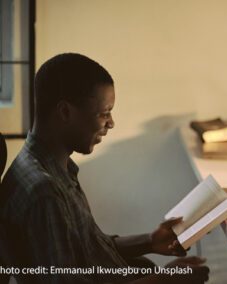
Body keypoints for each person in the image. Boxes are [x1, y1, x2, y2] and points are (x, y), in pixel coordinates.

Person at [0, 53, 209, 284]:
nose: (111, 123)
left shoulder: (55, 167)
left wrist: (150, 241)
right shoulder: (45, 193)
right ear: (65, 112)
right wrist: (165, 280)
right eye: (104, 113)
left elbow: (88, 250)